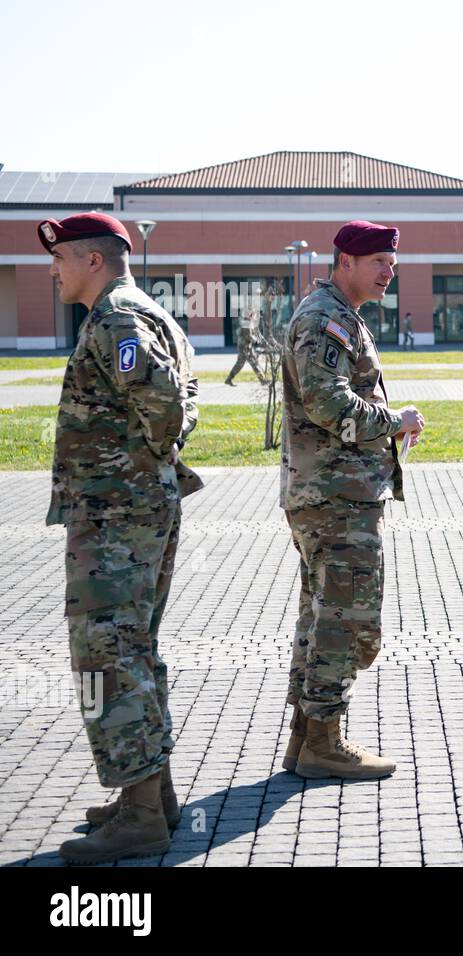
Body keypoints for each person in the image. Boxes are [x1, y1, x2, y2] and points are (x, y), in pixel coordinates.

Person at [40, 213, 203, 864]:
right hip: (132, 511)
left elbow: (165, 407)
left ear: (91, 260)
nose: (52, 271)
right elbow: (182, 400)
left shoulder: (116, 319)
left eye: (60, 259)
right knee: (132, 652)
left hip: (115, 520)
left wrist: (130, 471)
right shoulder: (144, 312)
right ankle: (149, 798)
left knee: (104, 661)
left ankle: (140, 817)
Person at [280, 220, 425, 780]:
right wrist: (395, 420)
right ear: (346, 261)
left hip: (334, 495)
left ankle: (306, 738)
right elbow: (327, 403)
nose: (389, 273)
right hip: (336, 498)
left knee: (323, 617)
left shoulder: (338, 314)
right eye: (379, 263)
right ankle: (324, 741)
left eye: (392, 263)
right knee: (348, 620)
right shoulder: (325, 318)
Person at [226, 311, 266, 385]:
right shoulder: (246, 324)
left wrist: (257, 339)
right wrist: (256, 341)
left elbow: (252, 334)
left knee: (252, 363)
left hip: (247, 347)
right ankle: (262, 380)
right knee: (251, 363)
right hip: (244, 348)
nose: (254, 317)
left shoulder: (248, 323)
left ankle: (262, 380)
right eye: (253, 315)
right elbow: (248, 336)